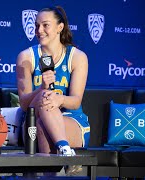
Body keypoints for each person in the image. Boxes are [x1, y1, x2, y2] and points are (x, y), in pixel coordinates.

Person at [16, 6, 90, 175]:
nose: (39, 30)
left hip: (70, 120)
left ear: (60, 27)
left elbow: (76, 101)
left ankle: (60, 154)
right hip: (32, 121)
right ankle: (65, 150)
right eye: (36, 26)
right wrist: (42, 89)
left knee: (44, 122)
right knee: (43, 99)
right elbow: (25, 103)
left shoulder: (77, 57)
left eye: (45, 25)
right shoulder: (26, 57)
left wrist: (60, 100)